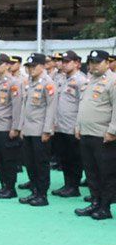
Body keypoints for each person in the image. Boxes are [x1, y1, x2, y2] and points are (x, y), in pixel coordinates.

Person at [75, 50, 116, 220]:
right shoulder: (89, 80)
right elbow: (83, 105)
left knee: (105, 173)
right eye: (91, 62)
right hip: (86, 133)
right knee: (91, 172)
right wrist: (78, 125)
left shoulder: (112, 81)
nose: (93, 65)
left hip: (103, 135)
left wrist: (112, 130)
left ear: (107, 62)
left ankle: (105, 207)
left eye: (97, 62)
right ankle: (95, 202)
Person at [17, 54, 56, 206]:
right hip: (28, 130)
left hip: (40, 130)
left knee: (41, 164)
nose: (31, 69)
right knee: (30, 163)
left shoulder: (48, 83)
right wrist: (21, 127)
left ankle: (42, 195)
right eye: (29, 66)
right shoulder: (30, 83)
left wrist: (47, 130)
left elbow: (51, 108)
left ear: (43, 66)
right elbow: (24, 107)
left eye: (34, 66)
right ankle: (34, 191)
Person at [0, 53, 23, 200]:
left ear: (8, 65)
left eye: (0, 64)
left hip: (6, 127)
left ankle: (10, 188)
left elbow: (17, 107)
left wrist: (15, 127)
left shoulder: (14, 83)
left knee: (8, 159)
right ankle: (3, 185)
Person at [51, 51, 86, 198]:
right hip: (60, 126)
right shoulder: (60, 78)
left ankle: (74, 186)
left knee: (74, 158)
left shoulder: (81, 80)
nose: (64, 64)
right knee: (64, 158)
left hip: (72, 127)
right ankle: (67, 184)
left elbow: (83, 105)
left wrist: (79, 126)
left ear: (76, 63)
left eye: (67, 61)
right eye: (62, 61)